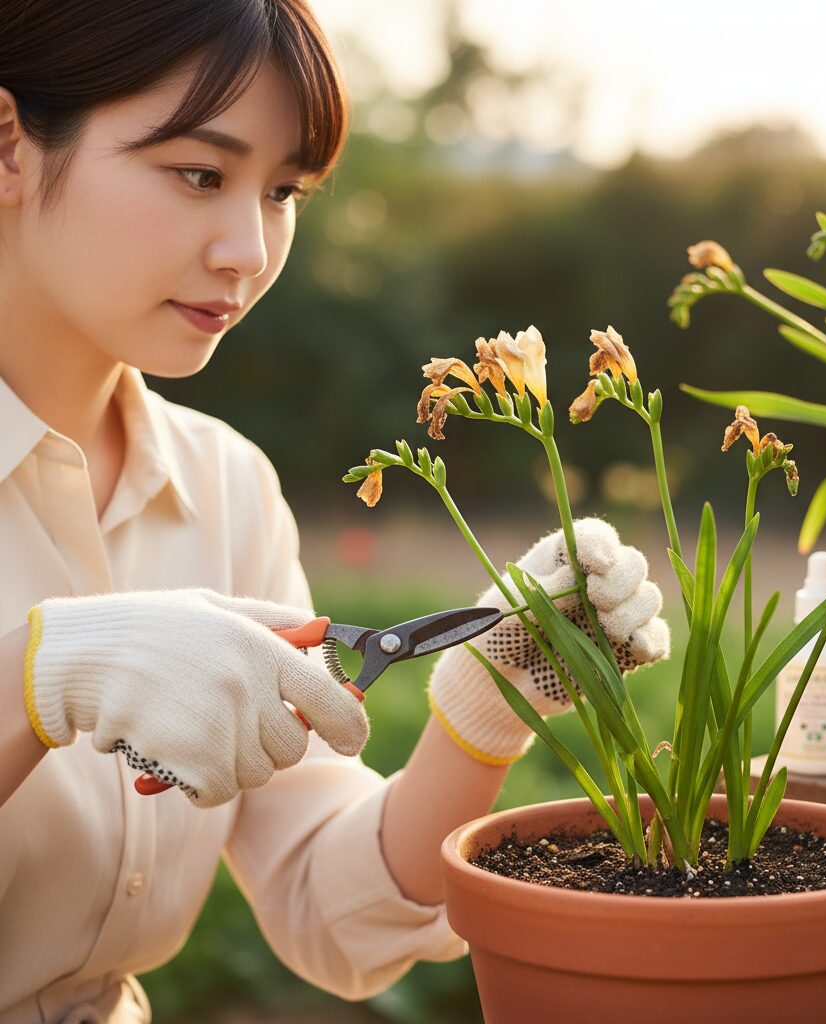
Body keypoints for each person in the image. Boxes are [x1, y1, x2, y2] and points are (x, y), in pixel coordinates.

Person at [0, 2, 671, 1021]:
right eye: (199, 173)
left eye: (283, 191)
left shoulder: (224, 485)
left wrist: (490, 702)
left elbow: (328, 908)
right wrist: (42, 677)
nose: (247, 249)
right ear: (8, 144)